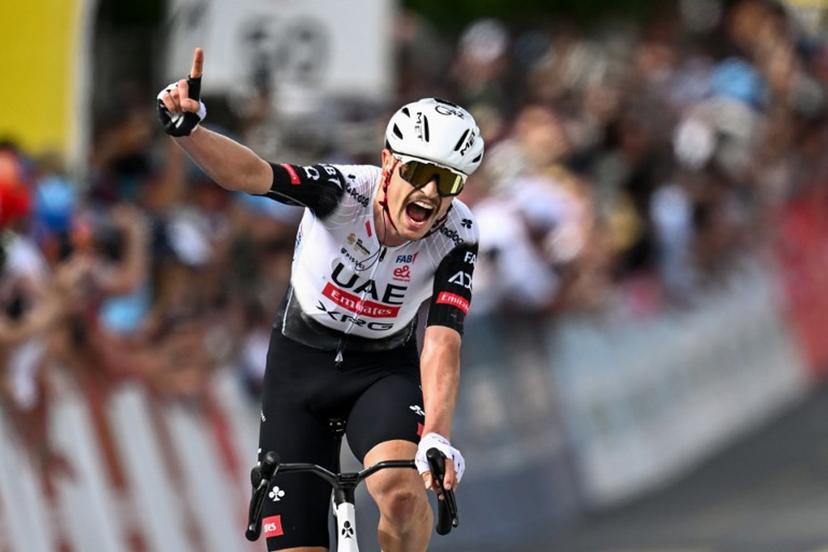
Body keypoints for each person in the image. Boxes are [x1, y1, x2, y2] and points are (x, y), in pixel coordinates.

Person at [157, 48, 484, 552]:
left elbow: (442, 339)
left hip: (381, 373)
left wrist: (437, 436)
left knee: (398, 493)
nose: (431, 193)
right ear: (389, 164)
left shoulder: (458, 232)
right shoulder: (343, 191)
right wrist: (190, 132)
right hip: (298, 369)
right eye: (420, 173)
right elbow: (251, 175)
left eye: (449, 181)